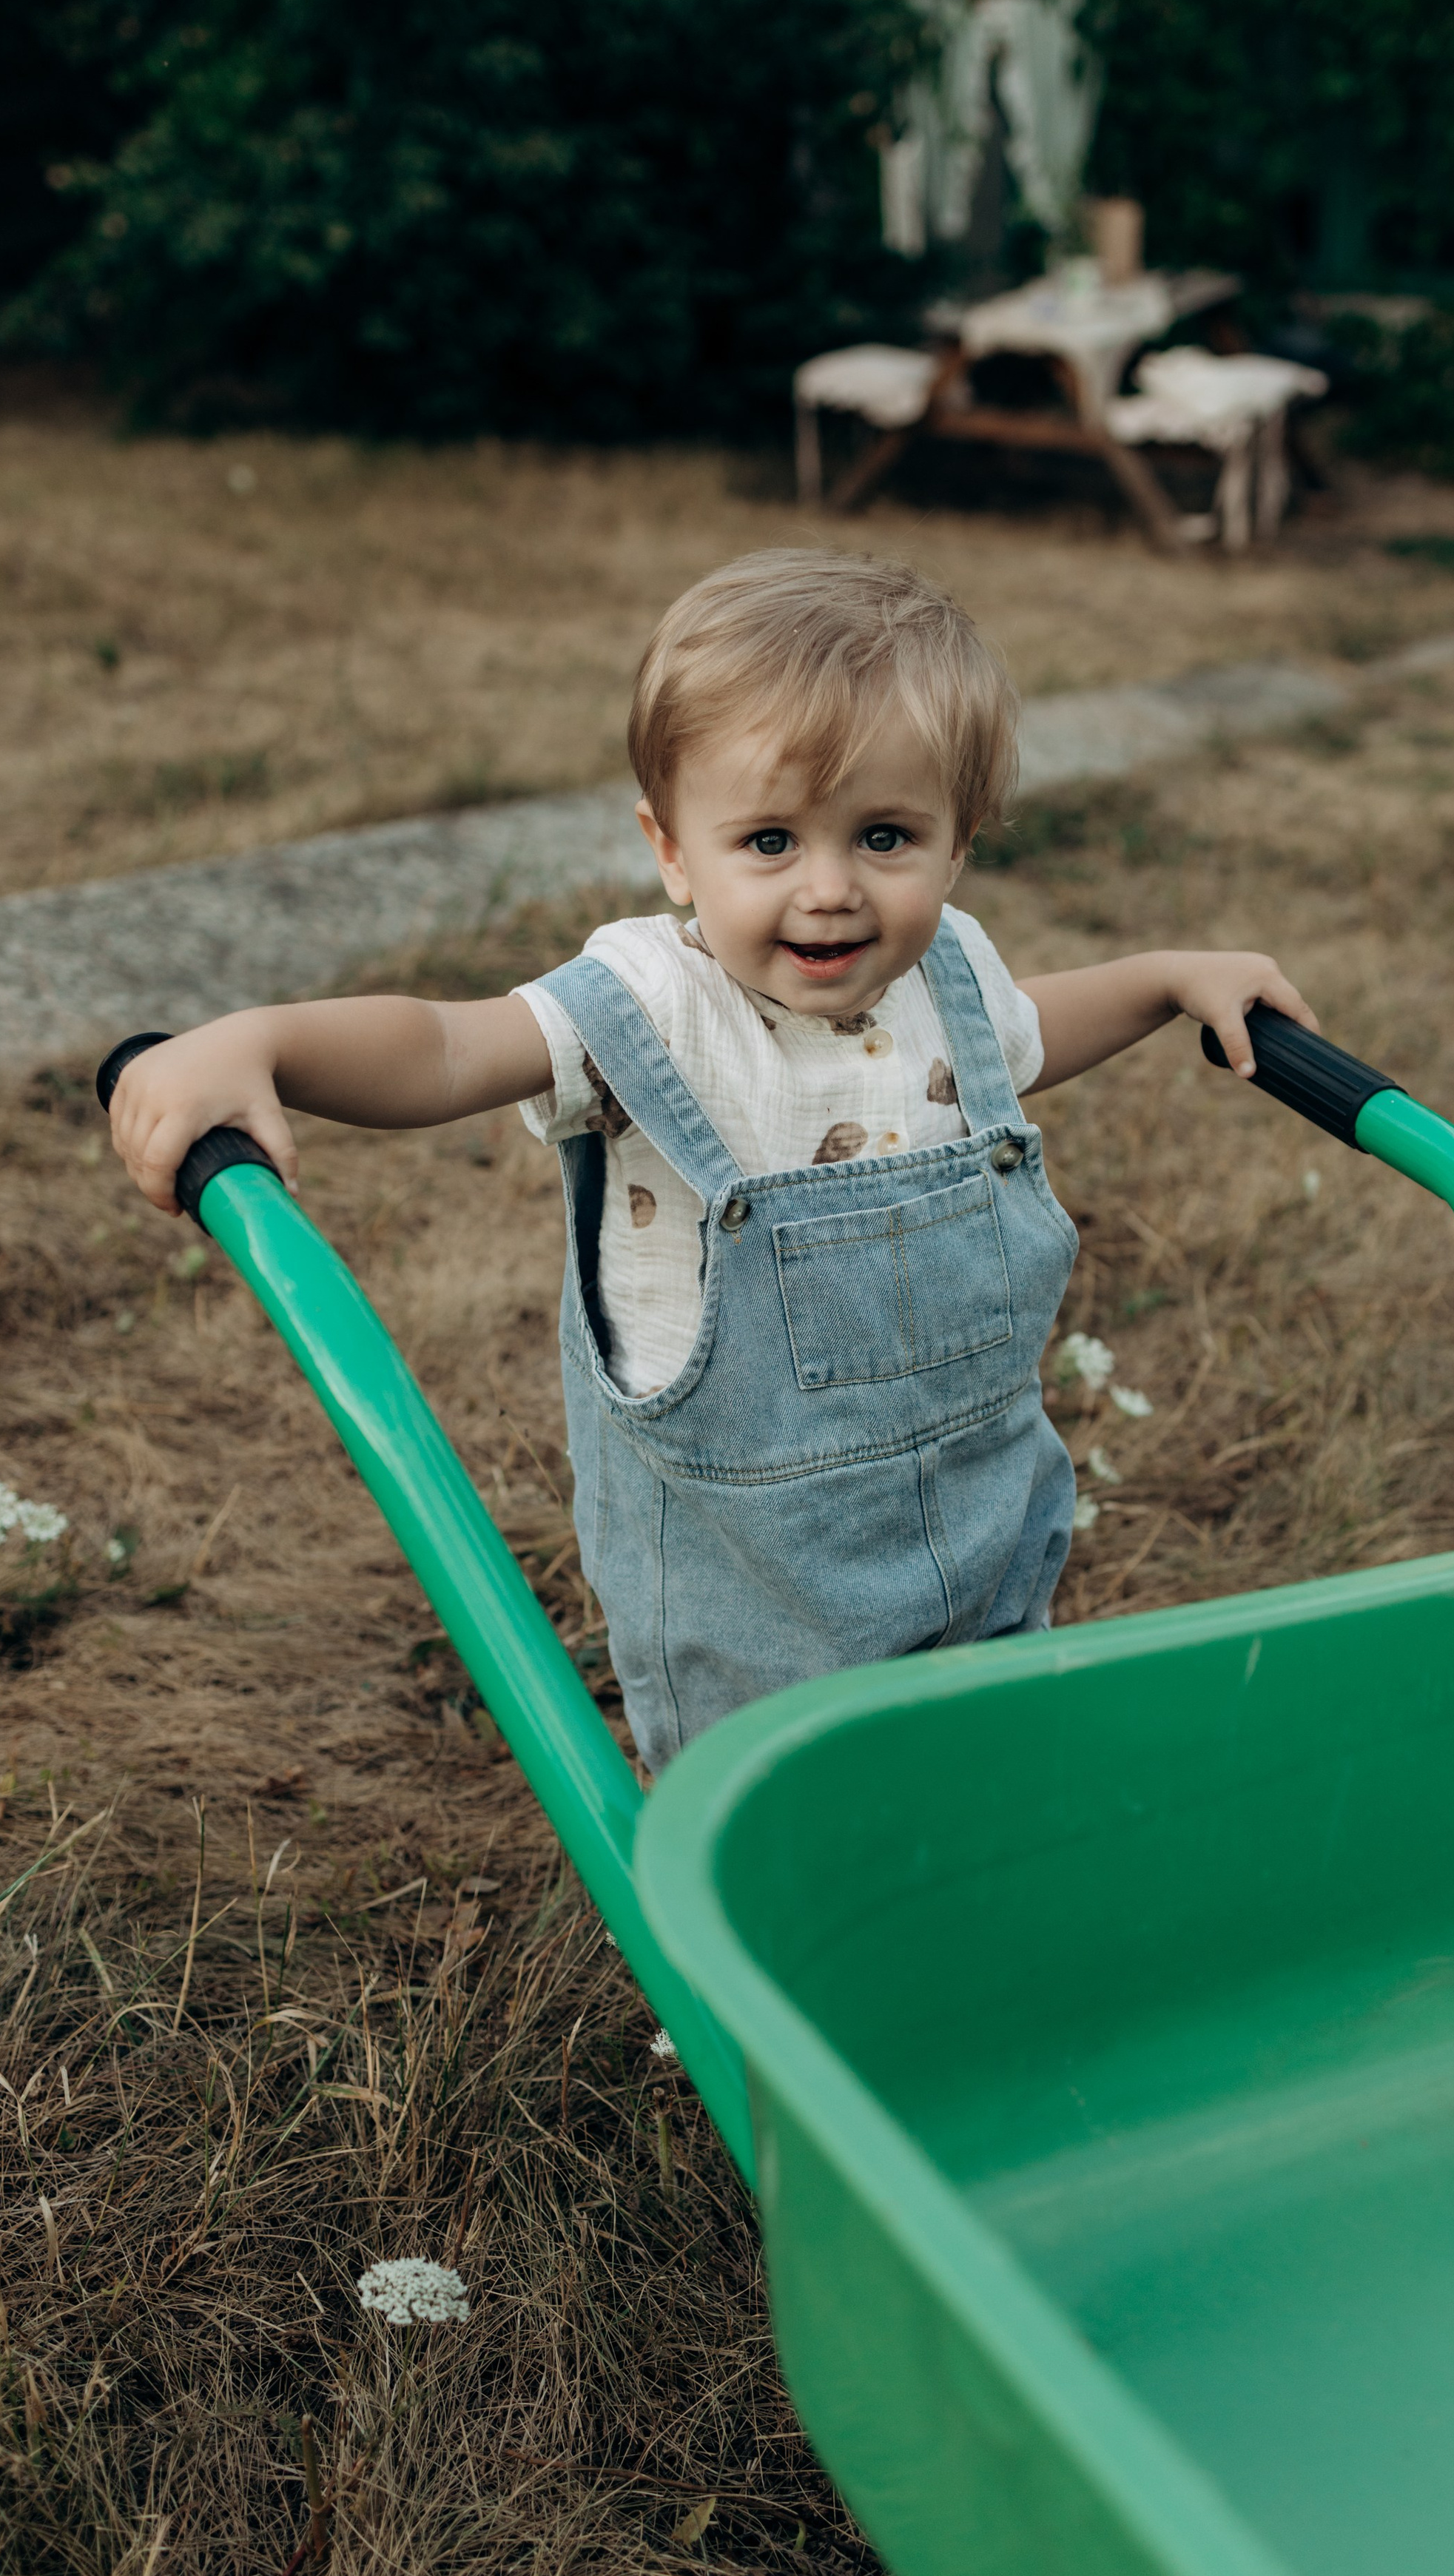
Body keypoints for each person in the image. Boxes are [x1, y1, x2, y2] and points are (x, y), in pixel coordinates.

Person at [111, 550, 1313, 1768]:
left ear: (960, 845)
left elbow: (1034, 1034)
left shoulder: (952, 976)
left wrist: (1166, 981)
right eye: (771, 840)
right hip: (755, 1586)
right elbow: (442, 1048)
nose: (831, 890)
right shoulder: (648, 1007)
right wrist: (260, 1041)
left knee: (980, 1761)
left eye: (885, 836)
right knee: (793, 1809)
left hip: (987, 1529)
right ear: (674, 849)